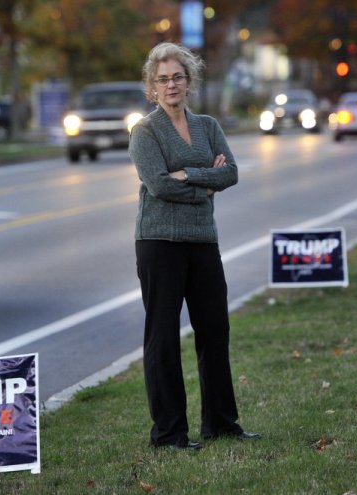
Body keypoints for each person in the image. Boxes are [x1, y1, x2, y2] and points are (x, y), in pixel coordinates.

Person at [129, 42, 259, 450]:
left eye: (178, 77)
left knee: (215, 331)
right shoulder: (145, 131)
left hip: (203, 241)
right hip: (159, 242)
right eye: (163, 79)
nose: (171, 85)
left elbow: (232, 172)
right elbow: (159, 184)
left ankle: (220, 423)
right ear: (152, 86)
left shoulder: (207, 126)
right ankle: (168, 433)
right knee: (163, 337)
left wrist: (190, 175)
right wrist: (204, 185)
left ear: (190, 81)